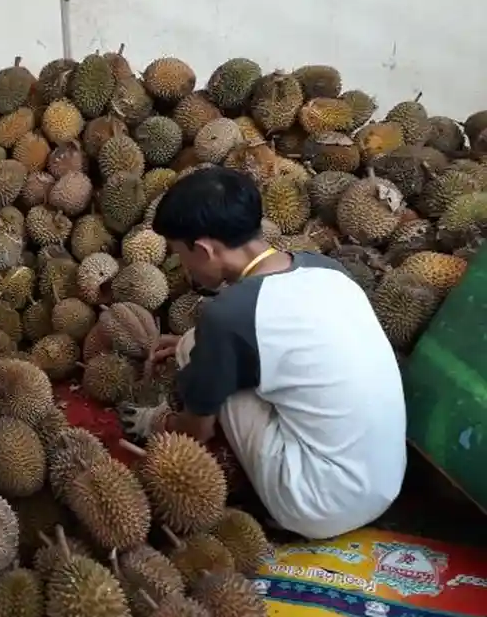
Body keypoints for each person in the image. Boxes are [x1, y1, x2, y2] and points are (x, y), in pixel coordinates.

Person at [119, 167, 406, 540]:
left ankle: (275, 500)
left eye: (180, 254)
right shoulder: (327, 269)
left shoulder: (228, 315)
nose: (183, 267)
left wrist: (162, 423)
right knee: (201, 343)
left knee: (193, 349)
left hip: (316, 505)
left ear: (203, 249)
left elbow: (197, 432)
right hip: (386, 481)